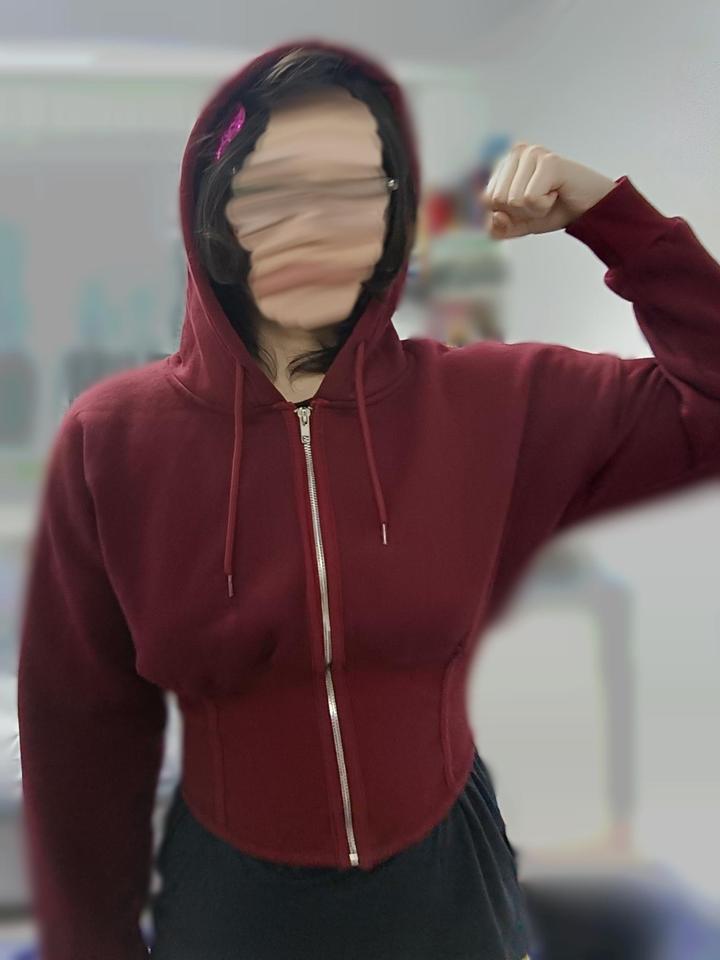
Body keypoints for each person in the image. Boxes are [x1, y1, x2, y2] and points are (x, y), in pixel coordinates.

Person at [15, 36, 720, 960]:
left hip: (449, 882)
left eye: (353, 190)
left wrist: (614, 220)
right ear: (218, 213)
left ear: (392, 216)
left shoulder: (495, 402)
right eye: (274, 188)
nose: (315, 224)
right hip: (232, 898)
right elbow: (79, 732)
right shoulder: (113, 439)